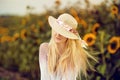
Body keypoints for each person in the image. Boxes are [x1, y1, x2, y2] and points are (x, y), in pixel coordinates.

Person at [39, 13, 96, 80]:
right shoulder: (44, 48)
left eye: (63, 32)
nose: (58, 34)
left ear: (69, 36)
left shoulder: (73, 55)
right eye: (57, 29)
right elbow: (44, 77)